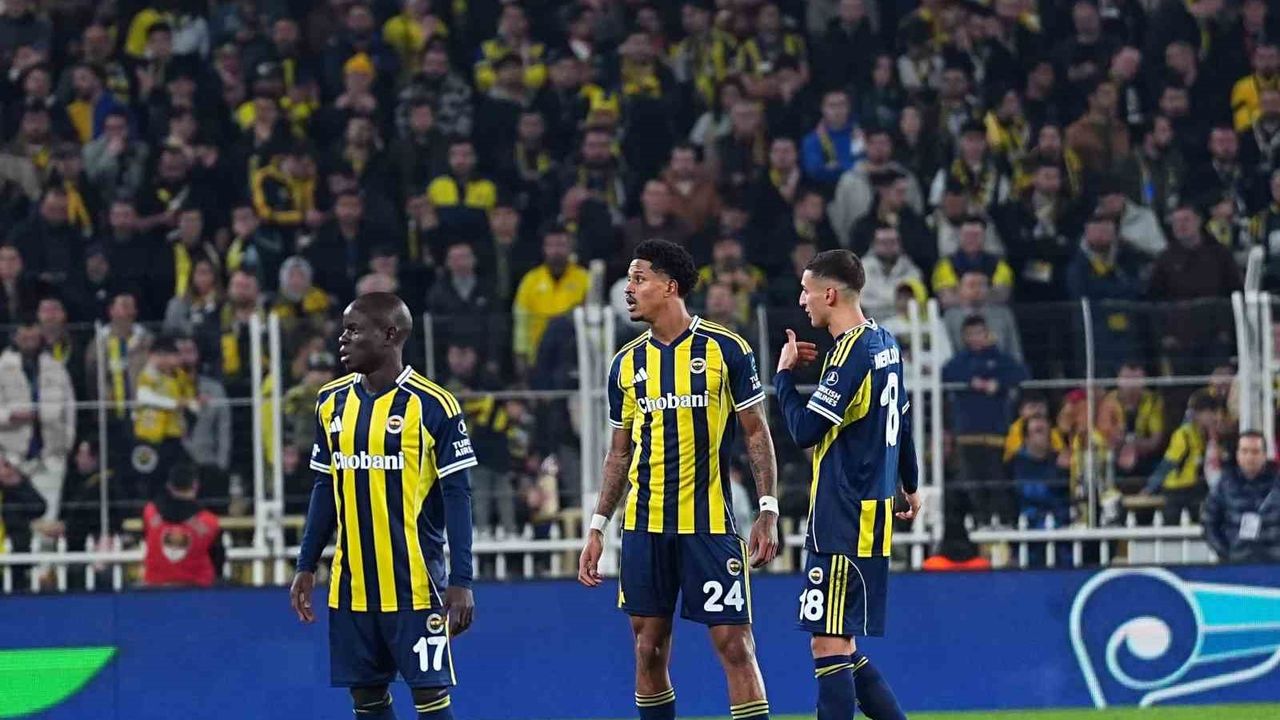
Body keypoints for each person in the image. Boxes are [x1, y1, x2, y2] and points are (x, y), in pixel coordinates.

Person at [577, 240, 780, 720]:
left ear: (670, 286)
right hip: (644, 527)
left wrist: (768, 509)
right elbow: (619, 453)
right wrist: (598, 526)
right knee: (647, 648)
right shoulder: (625, 364)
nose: (629, 290)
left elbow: (756, 433)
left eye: (639, 279)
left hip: (709, 526)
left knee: (736, 645)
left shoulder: (726, 349)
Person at [290, 292, 476, 720]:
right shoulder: (330, 402)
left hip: (416, 585)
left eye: (354, 330)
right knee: (367, 701)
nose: (342, 339)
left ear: (390, 335)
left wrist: (462, 579)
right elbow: (324, 486)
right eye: (343, 330)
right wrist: (306, 563)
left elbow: (458, 496)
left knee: (430, 699)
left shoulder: (433, 405)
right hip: (351, 587)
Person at [772, 248, 917, 720]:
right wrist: (912, 483)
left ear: (830, 294)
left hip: (843, 516)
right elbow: (903, 419)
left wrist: (783, 378)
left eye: (806, 291)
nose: (802, 300)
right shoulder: (885, 342)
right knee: (844, 645)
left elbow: (804, 431)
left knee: (827, 643)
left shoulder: (852, 354)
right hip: (870, 514)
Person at [0, 320, 75, 522]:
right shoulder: (2, 367)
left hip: (50, 455)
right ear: (15, 336)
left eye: (33, 334)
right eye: (24, 334)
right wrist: (11, 416)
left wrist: (66, 445)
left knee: (48, 520)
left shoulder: (56, 367)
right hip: (10, 457)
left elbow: (69, 409)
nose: (29, 339)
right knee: (15, 521)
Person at [141, 462, 224, 587]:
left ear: (169, 486)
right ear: (195, 485)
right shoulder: (210, 522)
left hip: (155, 588)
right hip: (198, 590)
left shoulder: (150, 512)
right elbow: (218, 561)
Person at [1144, 393, 1223, 525]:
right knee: (1172, 527)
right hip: (1175, 489)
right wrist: (1150, 488)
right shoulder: (1183, 435)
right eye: (1211, 413)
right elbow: (1168, 463)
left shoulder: (1201, 434)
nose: (1214, 417)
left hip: (1193, 487)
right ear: (1199, 414)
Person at [1203, 431, 1280, 563]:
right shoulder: (1224, 484)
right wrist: (1226, 553)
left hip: (1274, 564)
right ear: (1237, 454)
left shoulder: (1277, 483)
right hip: (1235, 563)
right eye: (1244, 451)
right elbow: (1209, 522)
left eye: (1255, 452)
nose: (1250, 457)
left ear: (1264, 455)